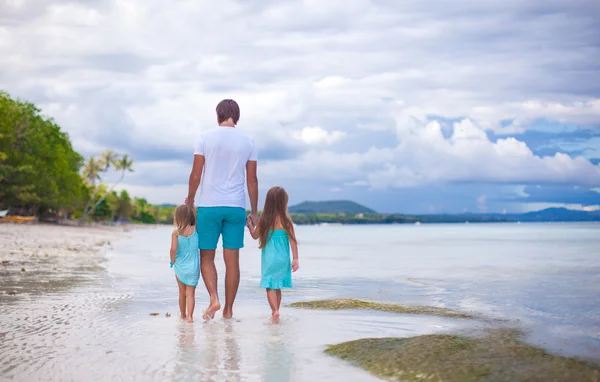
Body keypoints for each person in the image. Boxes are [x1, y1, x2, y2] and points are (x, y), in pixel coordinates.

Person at [186, 99, 259, 320]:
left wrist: (189, 200)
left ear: (218, 114)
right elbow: (252, 180)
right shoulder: (248, 141)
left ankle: (214, 299)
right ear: (237, 116)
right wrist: (254, 212)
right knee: (232, 260)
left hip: (209, 205)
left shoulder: (205, 137)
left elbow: (196, 174)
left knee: (207, 256)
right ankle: (228, 310)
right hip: (236, 206)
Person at [246, 186, 299, 321]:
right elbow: (293, 241)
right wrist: (296, 258)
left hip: (270, 259)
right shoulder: (286, 220)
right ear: (283, 202)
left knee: (270, 285)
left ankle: (274, 311)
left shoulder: (265, 218)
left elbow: (254, 236)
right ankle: (277, 311)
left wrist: (250, 226)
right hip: (283, 259)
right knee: (278, 285)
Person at [170, 204, 200, 323]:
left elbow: (173, 249)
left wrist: (172, 261)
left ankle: (182, 315)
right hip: (193, 267)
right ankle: (190, 317)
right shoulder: (196, 230)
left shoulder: (176, 233)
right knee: (190, 293)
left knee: (182, 292)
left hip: (180, 266)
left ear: (177, 217)